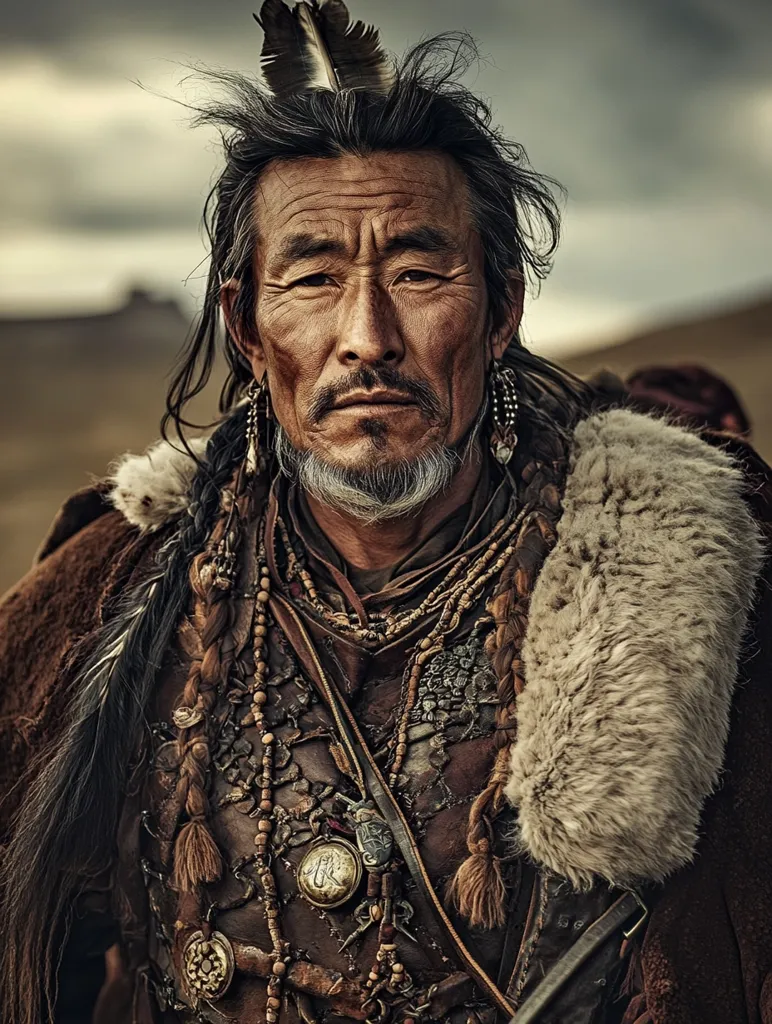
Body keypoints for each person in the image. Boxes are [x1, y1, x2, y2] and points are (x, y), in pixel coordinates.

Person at [1, 4, 770, 1023]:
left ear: (499, 311)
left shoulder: (701, 588)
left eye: (416, 272)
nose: (366, 335)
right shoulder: (114, 585)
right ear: (246, 322)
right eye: (313, 277)